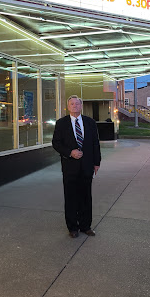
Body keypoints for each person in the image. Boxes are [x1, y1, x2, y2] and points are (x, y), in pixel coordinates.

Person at [52, 95, 101, 238]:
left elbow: (95, 143)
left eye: (77, 104)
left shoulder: (90, 122)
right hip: (70, 167)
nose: (75, 106)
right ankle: (73, 227)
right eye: (72, 104)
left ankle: (86, 226)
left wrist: (97, 162)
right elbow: (56, 143)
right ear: (68, 107)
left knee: (86, 197)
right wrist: (70, 152)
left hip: (87, 167)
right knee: (71, 197)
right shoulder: (61, 123)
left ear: (81, 106)